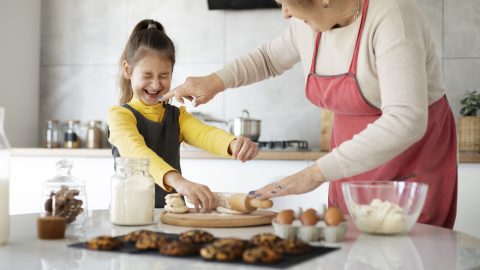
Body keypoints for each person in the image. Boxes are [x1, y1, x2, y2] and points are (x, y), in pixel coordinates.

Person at [161, 0, 457, 228]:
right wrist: (213, 82)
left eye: (288, 3)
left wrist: (315, 173)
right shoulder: (309, 24)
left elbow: (406, 120)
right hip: (349, 165)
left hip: (410, 159)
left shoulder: (393, 17)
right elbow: (267, 58)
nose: (285, 14)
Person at [108, 19, 259, 211]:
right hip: (127, 213)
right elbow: (136, 153)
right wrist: (178, 182)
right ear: (127, 70)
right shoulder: (119, 116)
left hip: (170, 215)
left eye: (164, 76)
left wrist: (233, 144)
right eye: (147, 75)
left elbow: (205, 134)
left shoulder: (176, 116)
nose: (155, 85)